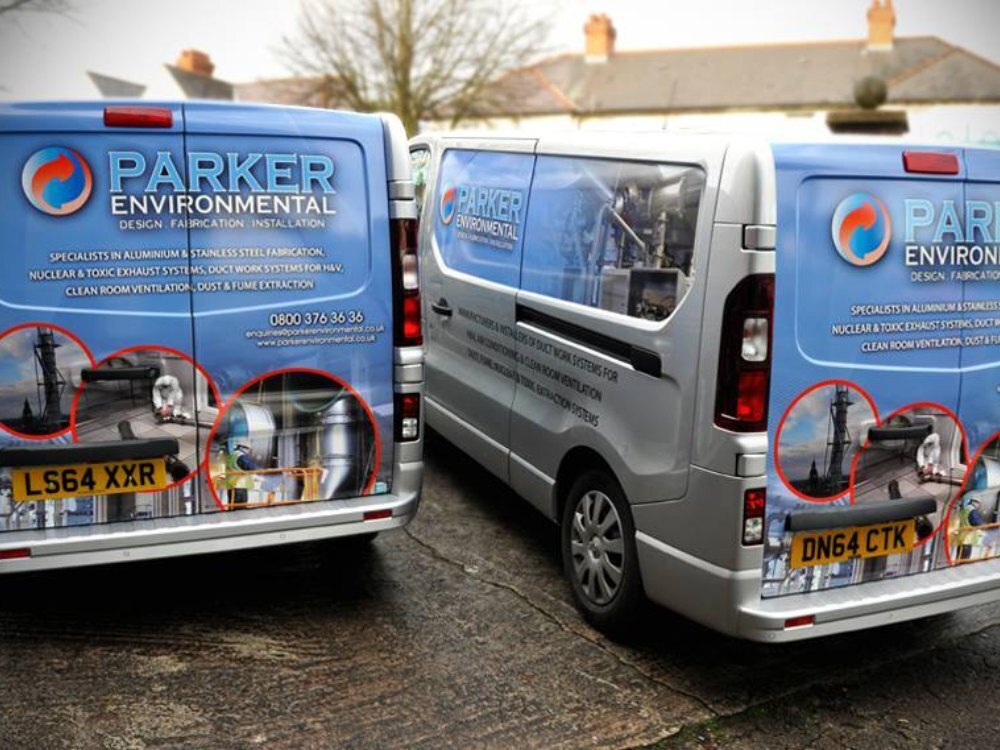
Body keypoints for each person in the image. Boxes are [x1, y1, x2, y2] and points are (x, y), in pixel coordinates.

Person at [226, 443, 258, 507]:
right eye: (248, 449)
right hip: (240, 484)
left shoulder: (232, 454)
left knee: (232, 503)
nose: (248, 451)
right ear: (243, 448)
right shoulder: (241, 456)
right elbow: (251, 467)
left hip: (231, 483)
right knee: (241, 505)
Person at [955, 497, 986, 561]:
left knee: (959, 557)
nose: (978, 505)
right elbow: (978, 523)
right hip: (968, 538)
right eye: (978, 504)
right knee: (965, 559)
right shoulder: (973, 512)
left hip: (961, 537)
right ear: (974, 502)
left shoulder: (963, 510)